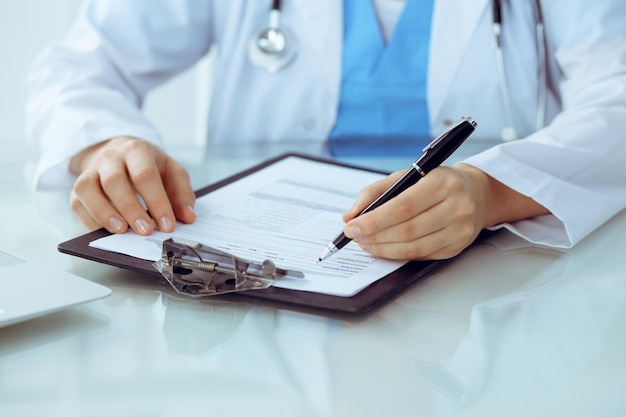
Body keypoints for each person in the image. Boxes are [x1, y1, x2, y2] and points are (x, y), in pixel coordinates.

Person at [25, 0, 626, 261]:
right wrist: (105, 143)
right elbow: (78, 65)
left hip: (494, 260)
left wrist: (490, 189)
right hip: (265, 255)